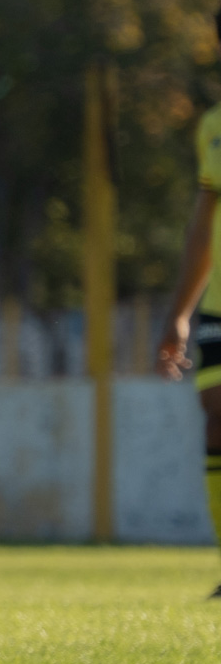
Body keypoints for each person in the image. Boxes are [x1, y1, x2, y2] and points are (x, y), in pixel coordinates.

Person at [152, 68, 221, 598]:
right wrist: (180, 311)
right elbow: (202, 226)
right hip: (220, 305)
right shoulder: (213, 127)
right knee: (217, 419)